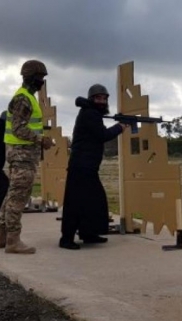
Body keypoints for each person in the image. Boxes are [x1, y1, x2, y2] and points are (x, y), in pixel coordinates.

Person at [0, 59, 53, 254]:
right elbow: (18, 128)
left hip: (22, 154)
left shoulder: (27, 97)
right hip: (22, 154)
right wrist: (40, 140)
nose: (42, 82)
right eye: (40, 78)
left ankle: (0, 237)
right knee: (18, 198)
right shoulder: (23, 98)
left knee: (12, 196)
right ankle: (13, 241)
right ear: (31, 77)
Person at [58, 84, 126, 250]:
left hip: (86, 166)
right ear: (91, 99)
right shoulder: (90, 114)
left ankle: (89, 233)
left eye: (104, 98)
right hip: (82, 166)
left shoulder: (91, 112)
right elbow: (102, 135)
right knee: (76, 203)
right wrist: (120, 127)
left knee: (92, 202)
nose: (102, 101)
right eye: (98, 98)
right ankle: (66, 239)